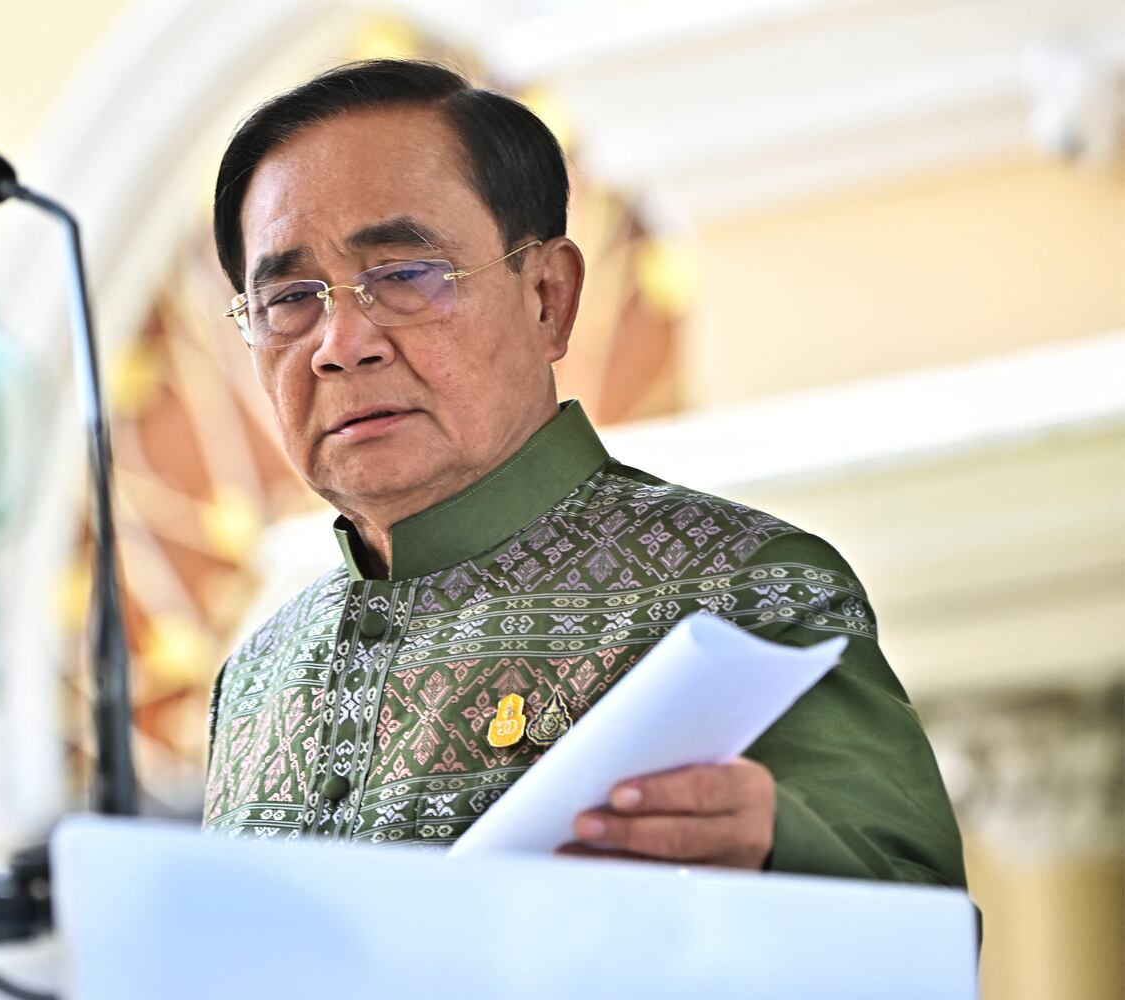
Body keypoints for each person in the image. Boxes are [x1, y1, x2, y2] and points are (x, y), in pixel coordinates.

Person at [200, 58, 965, 886]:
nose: (342, 344)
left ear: (548, 297)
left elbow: (921, 937)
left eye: (404, 276)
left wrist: (783, 856)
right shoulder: (257, 675)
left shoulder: (749, 592)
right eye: (289, 301)